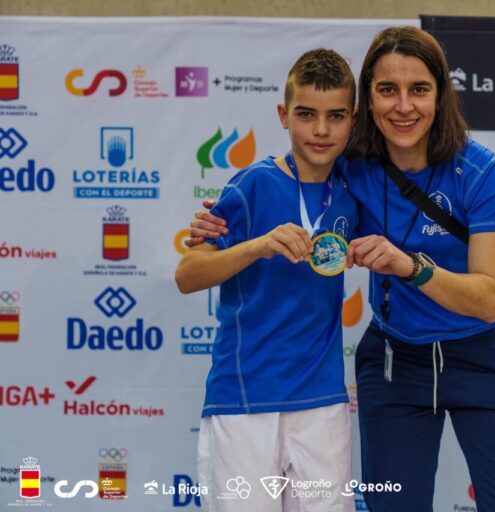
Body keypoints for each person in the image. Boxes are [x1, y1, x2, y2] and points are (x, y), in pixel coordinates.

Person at [188, 27, 495, 512]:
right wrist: (223, 223)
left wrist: (411, 267)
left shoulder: (480, 170)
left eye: (419, 89)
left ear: (441, 95)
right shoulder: (349, 165)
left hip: (485, 355)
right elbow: (290, 179)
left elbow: (488, 300)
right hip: (397, 361)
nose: (403, 106)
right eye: (386, 90)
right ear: (369, 104)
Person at [175, 48, 358, 512]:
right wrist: (257, 245)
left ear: (353, 120)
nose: (320, 130)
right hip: (245, 394)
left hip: (322, 399)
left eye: (335, 117)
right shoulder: (252, 183)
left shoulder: (356, 190)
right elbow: (188, 274)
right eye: (306, 115)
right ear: (283, 115)